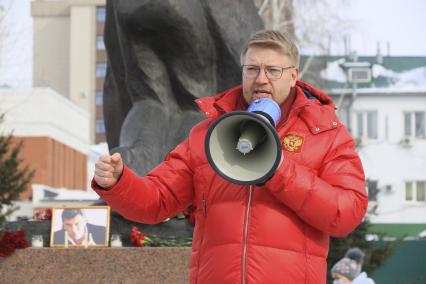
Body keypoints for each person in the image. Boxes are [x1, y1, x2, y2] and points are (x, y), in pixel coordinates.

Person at [92, 30, 368, 283]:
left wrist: (278, 170)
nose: (261, 79)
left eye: (272, 70)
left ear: (294, 75)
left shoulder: (325, 134)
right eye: (252, 69)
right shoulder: (207, 134)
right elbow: (157, 201)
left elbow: (347, 213)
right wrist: (119, 183)